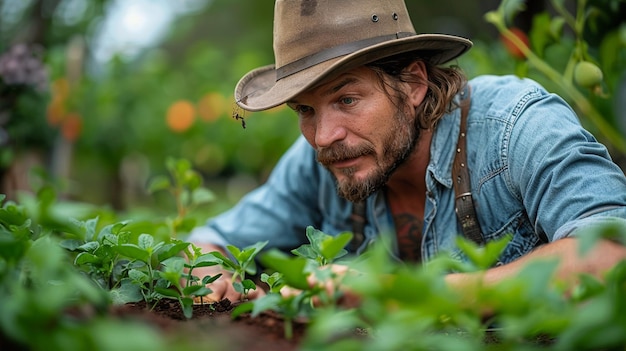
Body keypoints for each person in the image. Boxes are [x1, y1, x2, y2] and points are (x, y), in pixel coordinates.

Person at [187, 0, 626, 303]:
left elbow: (610, 256)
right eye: (305, 109)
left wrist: (410, 297)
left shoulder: (516, 127)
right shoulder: (322, 161)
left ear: (413, 83)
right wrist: (212, 274)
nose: (323, 137)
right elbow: (209, 242)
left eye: (346, 100)